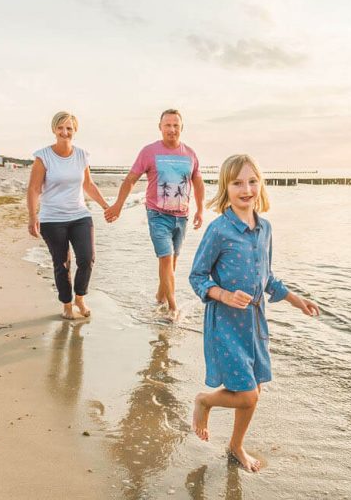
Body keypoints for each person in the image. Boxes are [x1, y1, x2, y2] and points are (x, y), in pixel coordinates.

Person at [188, 154, 319, 472]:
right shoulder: (219, 230)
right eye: (237, 183)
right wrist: (223, 294)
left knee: (253, 390)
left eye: (252, 181)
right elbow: (197, 276)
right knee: (247, 395)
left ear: (260, 184)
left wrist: (295, 300)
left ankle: (235, 447)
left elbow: (267, 278)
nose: (246, 189)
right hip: (225, 323)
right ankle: (204, 401)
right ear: (225, 188)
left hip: (254, 322)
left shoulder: (265, 229)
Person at [104, 109, 205, 318]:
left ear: (182, 128)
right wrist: (118, 206)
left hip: (182, 216)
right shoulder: (149, 152)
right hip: (157, 215)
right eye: (167, 125)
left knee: (172, 262)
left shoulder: (190, 154)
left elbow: (197, 181)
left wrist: (201, 209)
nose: (172, 129)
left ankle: (160, 297)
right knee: (166, 259)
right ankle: (173, 307)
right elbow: (131, 179)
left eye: (176, 125)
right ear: (160, 127)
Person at [27, 111, 111, 320]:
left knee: (87, 259)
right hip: (52, 219)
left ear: (75, 131)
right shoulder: (43, 157)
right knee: (62, 264)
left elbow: (88, 185)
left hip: (80, 215)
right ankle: (66, 304)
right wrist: (32, 216)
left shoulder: (82, 155)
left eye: (69, 128)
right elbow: (34, 189)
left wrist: (105, 206)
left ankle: (80, 298)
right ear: (54, 130)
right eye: (61, 128)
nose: (65, 132)